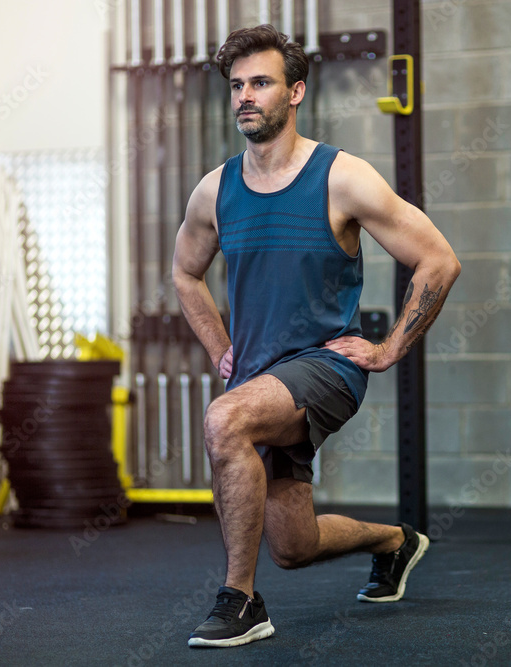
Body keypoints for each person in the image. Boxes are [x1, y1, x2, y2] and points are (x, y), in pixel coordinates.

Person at [172, 24, 461, 648]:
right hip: (258, 377)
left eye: (262, 82)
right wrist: (220, 348)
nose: (246, 96)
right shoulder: (215, 190)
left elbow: (438, 260)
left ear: (295, 91)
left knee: (225, 423)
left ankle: (241, 602)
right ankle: (396, 543)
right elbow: (185, 274)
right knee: (294, 546)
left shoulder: (342, 178)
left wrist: (387, 352)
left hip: (326, 369)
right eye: (237, 85)